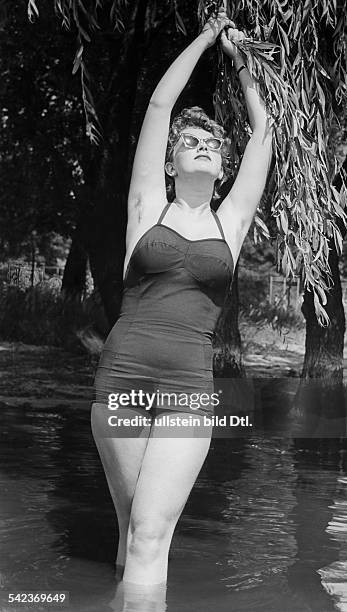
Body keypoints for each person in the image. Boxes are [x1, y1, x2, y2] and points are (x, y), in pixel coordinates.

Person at [91, 6, 273, 591]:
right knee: (128, 527)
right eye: (189, 144)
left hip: (189, 389)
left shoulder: (232, 223)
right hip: (121, 376)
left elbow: (264, 133)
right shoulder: (146, 206)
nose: (202, 148)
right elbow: (158, 107)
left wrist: (239, 59)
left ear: (222, 168)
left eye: (212, 145)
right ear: (170, 163)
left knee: (149, 533)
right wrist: (204, 38)